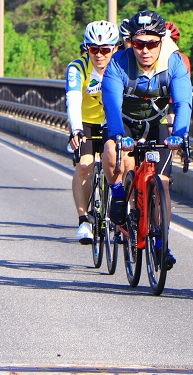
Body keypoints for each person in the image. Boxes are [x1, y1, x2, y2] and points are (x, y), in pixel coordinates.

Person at [101, 10, 193, 270]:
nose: (145, 50)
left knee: (162, 184)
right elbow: (111, 102)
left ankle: (162, 243)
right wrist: (119, 135)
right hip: (125, 122)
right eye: (139, 44)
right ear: (131, 42)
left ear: (161, 42)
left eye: (152, 43)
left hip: (156, 123)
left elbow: (184, 101)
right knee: (111, 149)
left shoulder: (173, 63)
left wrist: (180, 133)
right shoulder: (119, 63)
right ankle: (118, 194)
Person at [65, 20, 119, 244]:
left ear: (115, 49)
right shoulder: (77, 68)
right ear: (86, 48)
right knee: (85, 165)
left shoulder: (121, 66)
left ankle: (122, 217)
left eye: (105, 50)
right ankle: (84, 220)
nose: (99, 55)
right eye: (93, 49)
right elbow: (73, 99)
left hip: (112, 122)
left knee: (120, 163)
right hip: (86, 122)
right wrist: (76, 129)